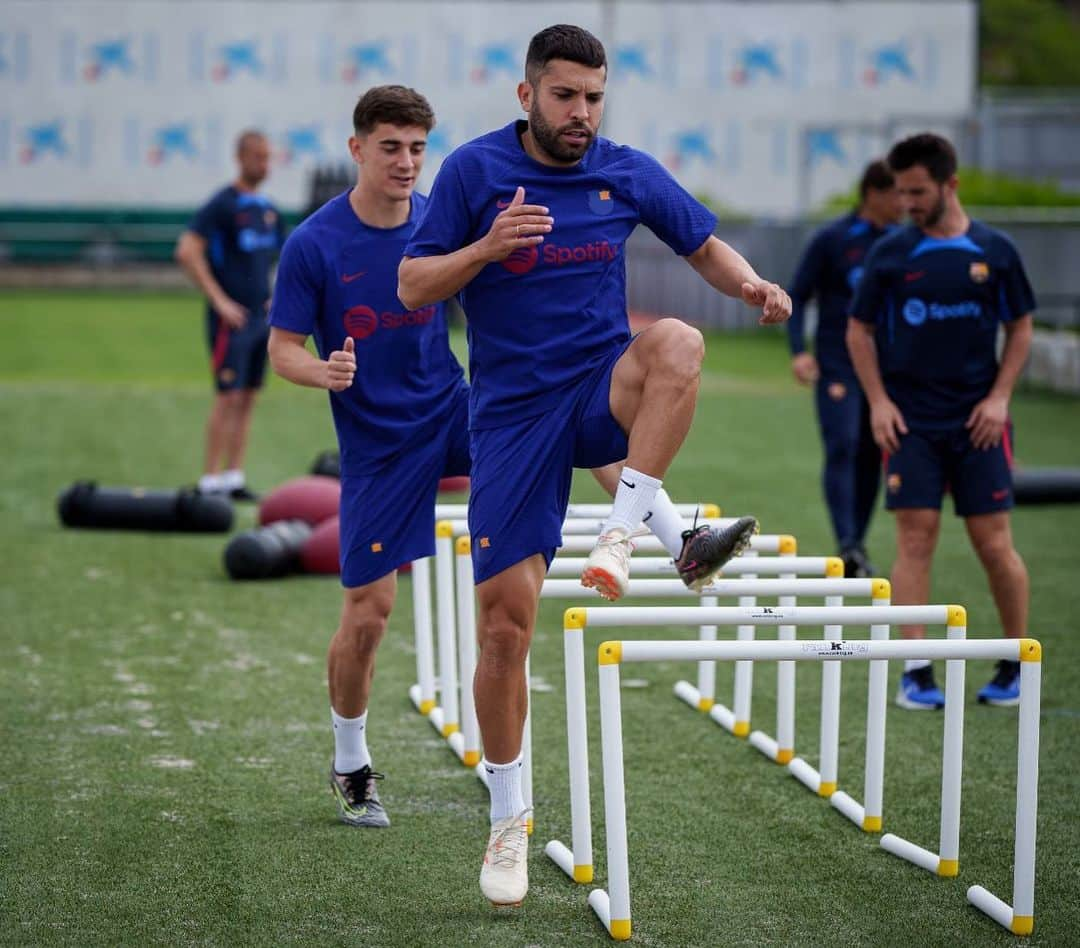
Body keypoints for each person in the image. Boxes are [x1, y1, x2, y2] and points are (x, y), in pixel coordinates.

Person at [265, 85, 735, 841]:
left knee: (569, 423)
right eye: (391, 147)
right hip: (379, 445)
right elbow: (282, 348)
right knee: (368, 614)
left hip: (456, 409)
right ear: (357, 150)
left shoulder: (439, 216)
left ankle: (676, 539)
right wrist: (319, 372)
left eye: (418, 147)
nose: (407, 162)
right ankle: (350, 757)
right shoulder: (315, 245)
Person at [398, 24, 788, 907]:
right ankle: (508, 817)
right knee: (505, 626)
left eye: (594, 96)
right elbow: (414, 286)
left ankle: (626, 532)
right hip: (508, 418)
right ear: (527, 94)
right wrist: (486, 250)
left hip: (599, 393)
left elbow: (703, 247)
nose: (581, 113)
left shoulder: (627, 169)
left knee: (680, 343)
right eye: (566, 95)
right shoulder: (472, 173)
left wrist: (754, 284)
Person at [846, 132, 1034, 711]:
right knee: (915, 535)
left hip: (979, 421)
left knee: (993, 542)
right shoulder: (892, 253)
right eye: (901, 192)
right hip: (910, 423)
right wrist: (878, 402)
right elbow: (859, 332)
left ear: (950, 185)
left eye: (918, 191)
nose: (907, 203)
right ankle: (917, 671)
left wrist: (1000, 397)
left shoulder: (995, 252)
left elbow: (1021, 327)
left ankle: (1014, 661)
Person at [788, 160, 902, 577]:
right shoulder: (833, 239)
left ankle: (857, 543)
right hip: (838, 364)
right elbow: (798, 294)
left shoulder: (905, 242)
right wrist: (800, 350)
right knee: (844, 443)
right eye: (898, 194)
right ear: (874, 192)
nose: (904, 203)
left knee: (874, 451)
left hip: (889, 369)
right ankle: (847, 543)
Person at [175, 130, 284, 500]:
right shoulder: (222, 205)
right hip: (230, 320)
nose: (264, 164)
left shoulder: (269, 211)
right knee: (227, 396)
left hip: (260, 320)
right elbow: (187, 251)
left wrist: (276, 298)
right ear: (240, 157)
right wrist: (219, 300)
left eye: (268, 157)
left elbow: (279, 262)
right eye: (257, 156)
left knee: (250, 395)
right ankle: (209, 479)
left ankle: (234, 477)